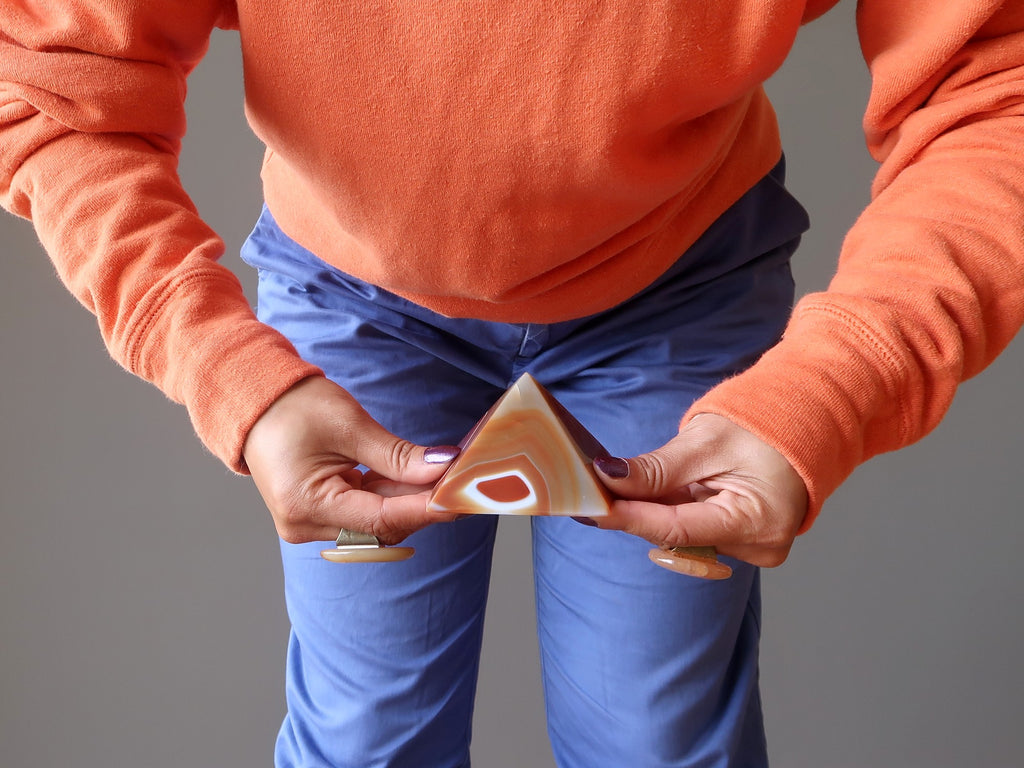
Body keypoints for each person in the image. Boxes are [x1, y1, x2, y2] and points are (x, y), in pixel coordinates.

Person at [2, 1, 1023, 766]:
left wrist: (839, 385)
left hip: (680, 282)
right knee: (366, 741)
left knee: (654, 743)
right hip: (354, 295)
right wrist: (229, 369)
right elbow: (53, 84)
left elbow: (995, 84)